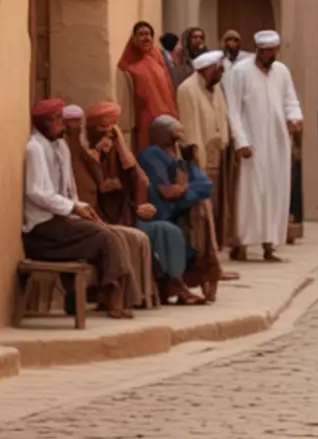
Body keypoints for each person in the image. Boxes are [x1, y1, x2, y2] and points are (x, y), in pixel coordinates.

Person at [22, 99, 131, 320]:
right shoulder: (35, 148)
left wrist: (80, 207)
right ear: (46, 122)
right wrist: (71, 207)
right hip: (42, 230)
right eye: (59, 121)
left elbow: (68, 189)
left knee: (108, 233)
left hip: (61, 220)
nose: (64, 126)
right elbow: (35, 192)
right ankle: (113, 296)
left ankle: (94, 296)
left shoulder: (60, 146)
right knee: (104, 237)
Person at [83, 102, 197, 307]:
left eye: (114, 131)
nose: (110, 136)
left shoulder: (117, 154)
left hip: (126, 215)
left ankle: (174, 283)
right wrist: (103, 185)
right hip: (100, 219)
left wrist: (122, 148)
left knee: (167, 231)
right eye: (106, 130)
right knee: (137, 237)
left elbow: (141, 182)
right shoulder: (85, 156)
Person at [224, 29, 301, 262]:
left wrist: (294, 118)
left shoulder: (281, 71)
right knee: (250, 193)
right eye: (265, 52)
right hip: (252, 142)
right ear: (258, 50)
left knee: (275, 191)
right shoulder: (240, 72)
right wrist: (241, 141)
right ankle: (242, 244)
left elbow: (291, 100)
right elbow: (233, 110)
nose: (270, 55)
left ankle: (270, 244)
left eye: (273, 51)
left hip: (277, 142)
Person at [140, 115, 222, 303]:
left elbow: (205, 185)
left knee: (202, 207)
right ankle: (201, 273)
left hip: (178, 207)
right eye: (175, 133)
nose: (180, 137)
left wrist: (189, 164)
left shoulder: (179, 156)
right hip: (161, 210)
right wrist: (184, 189)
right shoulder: (151, 154)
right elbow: (167, 192)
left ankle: (206, 269)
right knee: (199, 207)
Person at [176, 49, 240, 282]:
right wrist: (196, 161)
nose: (220, 72)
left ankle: (214, 263)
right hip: (199, 162)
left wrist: (225, 141)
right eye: (217, 69)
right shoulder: (187, 90)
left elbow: (223, 116)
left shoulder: (215, 88)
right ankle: (209, 266)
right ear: (205, 69)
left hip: (217, 159)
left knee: (217, 213)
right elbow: (190, 127)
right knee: (204, 214)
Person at [117, 20, 180, 142]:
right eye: (141, 34)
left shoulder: (158, 60)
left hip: (166, 118)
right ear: (134, 39)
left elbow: (169, 88)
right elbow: (125, 99)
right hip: (144, 121)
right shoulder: (127, 67)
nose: (146, 38)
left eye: (148, 34)